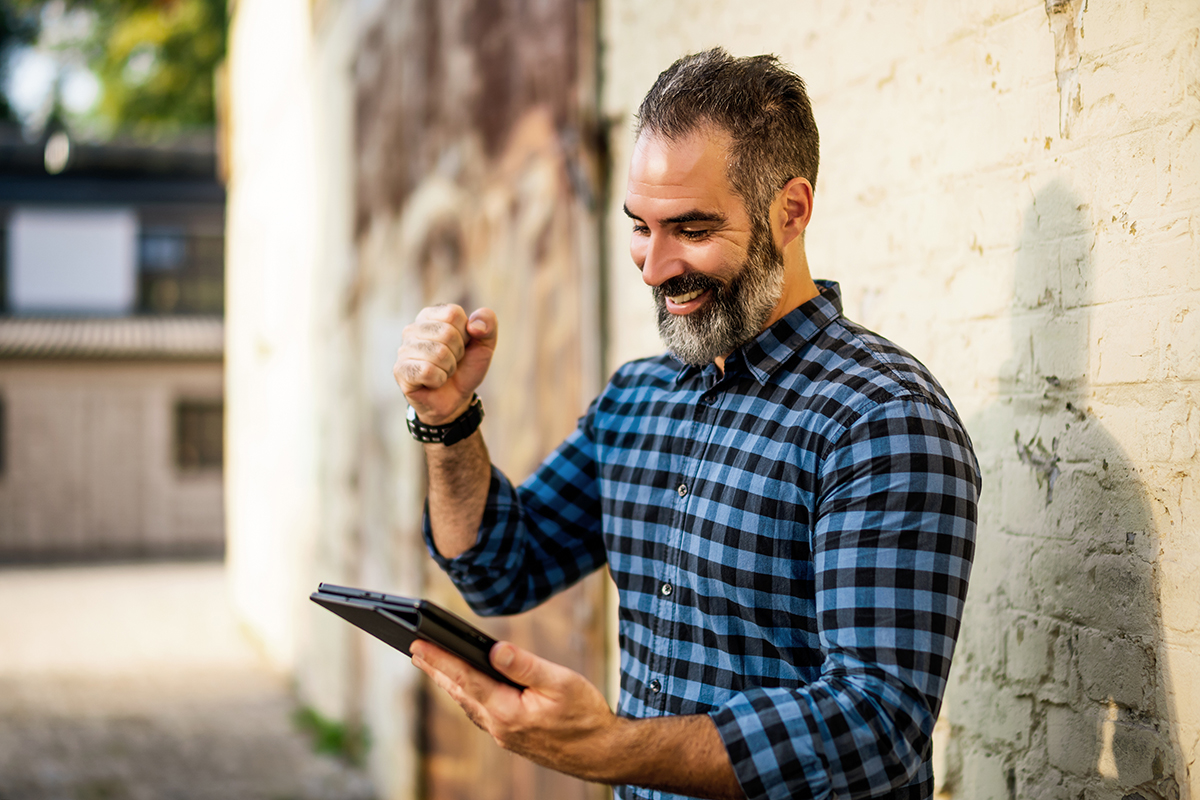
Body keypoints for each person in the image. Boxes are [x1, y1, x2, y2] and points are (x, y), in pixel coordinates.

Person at [392, 48, 980, 800]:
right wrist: (447, 422)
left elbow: (874, 727)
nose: (653, 266)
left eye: (692, 231)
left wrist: (611, 748)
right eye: (641, 226)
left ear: (791, 212)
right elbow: (503, 566)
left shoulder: (881, 420)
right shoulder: (639, 397)